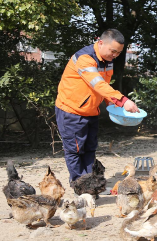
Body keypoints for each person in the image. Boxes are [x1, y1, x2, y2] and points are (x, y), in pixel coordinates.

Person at [55, 29, 139, 183]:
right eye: (113, 51)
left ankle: (89, 184)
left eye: (119, 53)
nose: (115, 55)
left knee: (90, 149)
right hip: (71, 111)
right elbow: (98, 84)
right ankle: (79, 186)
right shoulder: (84, 58)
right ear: (101, 43)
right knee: (75, 151)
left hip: (91, 111)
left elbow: (105, 86)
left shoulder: (108, 61)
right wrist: (122, 100)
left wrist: (112, 104)